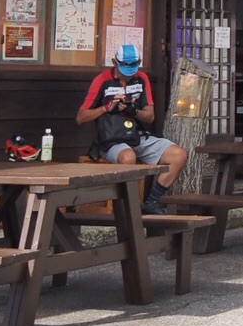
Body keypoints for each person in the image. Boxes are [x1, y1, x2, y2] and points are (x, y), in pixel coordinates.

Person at [76, 44, 187, 215]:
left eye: (133, 67)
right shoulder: (102, 81)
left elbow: (150, 116)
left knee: (178, 155)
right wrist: (107, 108)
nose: (129, 72)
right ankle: (130, 207)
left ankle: (152, 201)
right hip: (112, 139)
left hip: (137, 135)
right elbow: (81, 117)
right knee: (128, 157)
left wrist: (132, 109)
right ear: (114, 62)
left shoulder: (141, 79)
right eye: (124, 67)